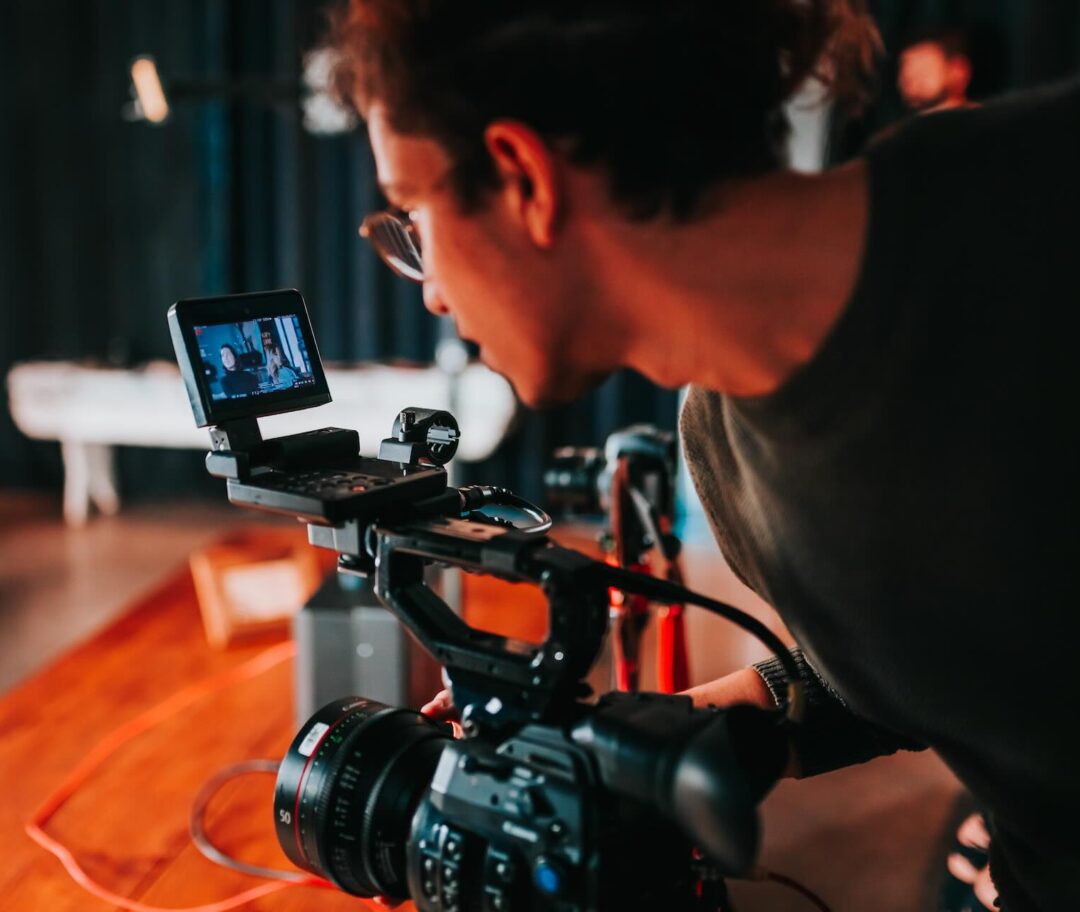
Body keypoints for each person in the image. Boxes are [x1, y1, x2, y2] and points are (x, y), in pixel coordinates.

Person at [325, 2, 1080, 909]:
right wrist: (654, 741)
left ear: (524, 178)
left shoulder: (1043, 194)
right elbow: (925, 654)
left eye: (415, 212)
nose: (433, 295)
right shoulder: (724, 448)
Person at [897, 27, 976, 114]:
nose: (908, 78)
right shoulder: (902, 121)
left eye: (923, 68)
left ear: (957, 71)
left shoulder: (980, 119)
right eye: (903, 67)